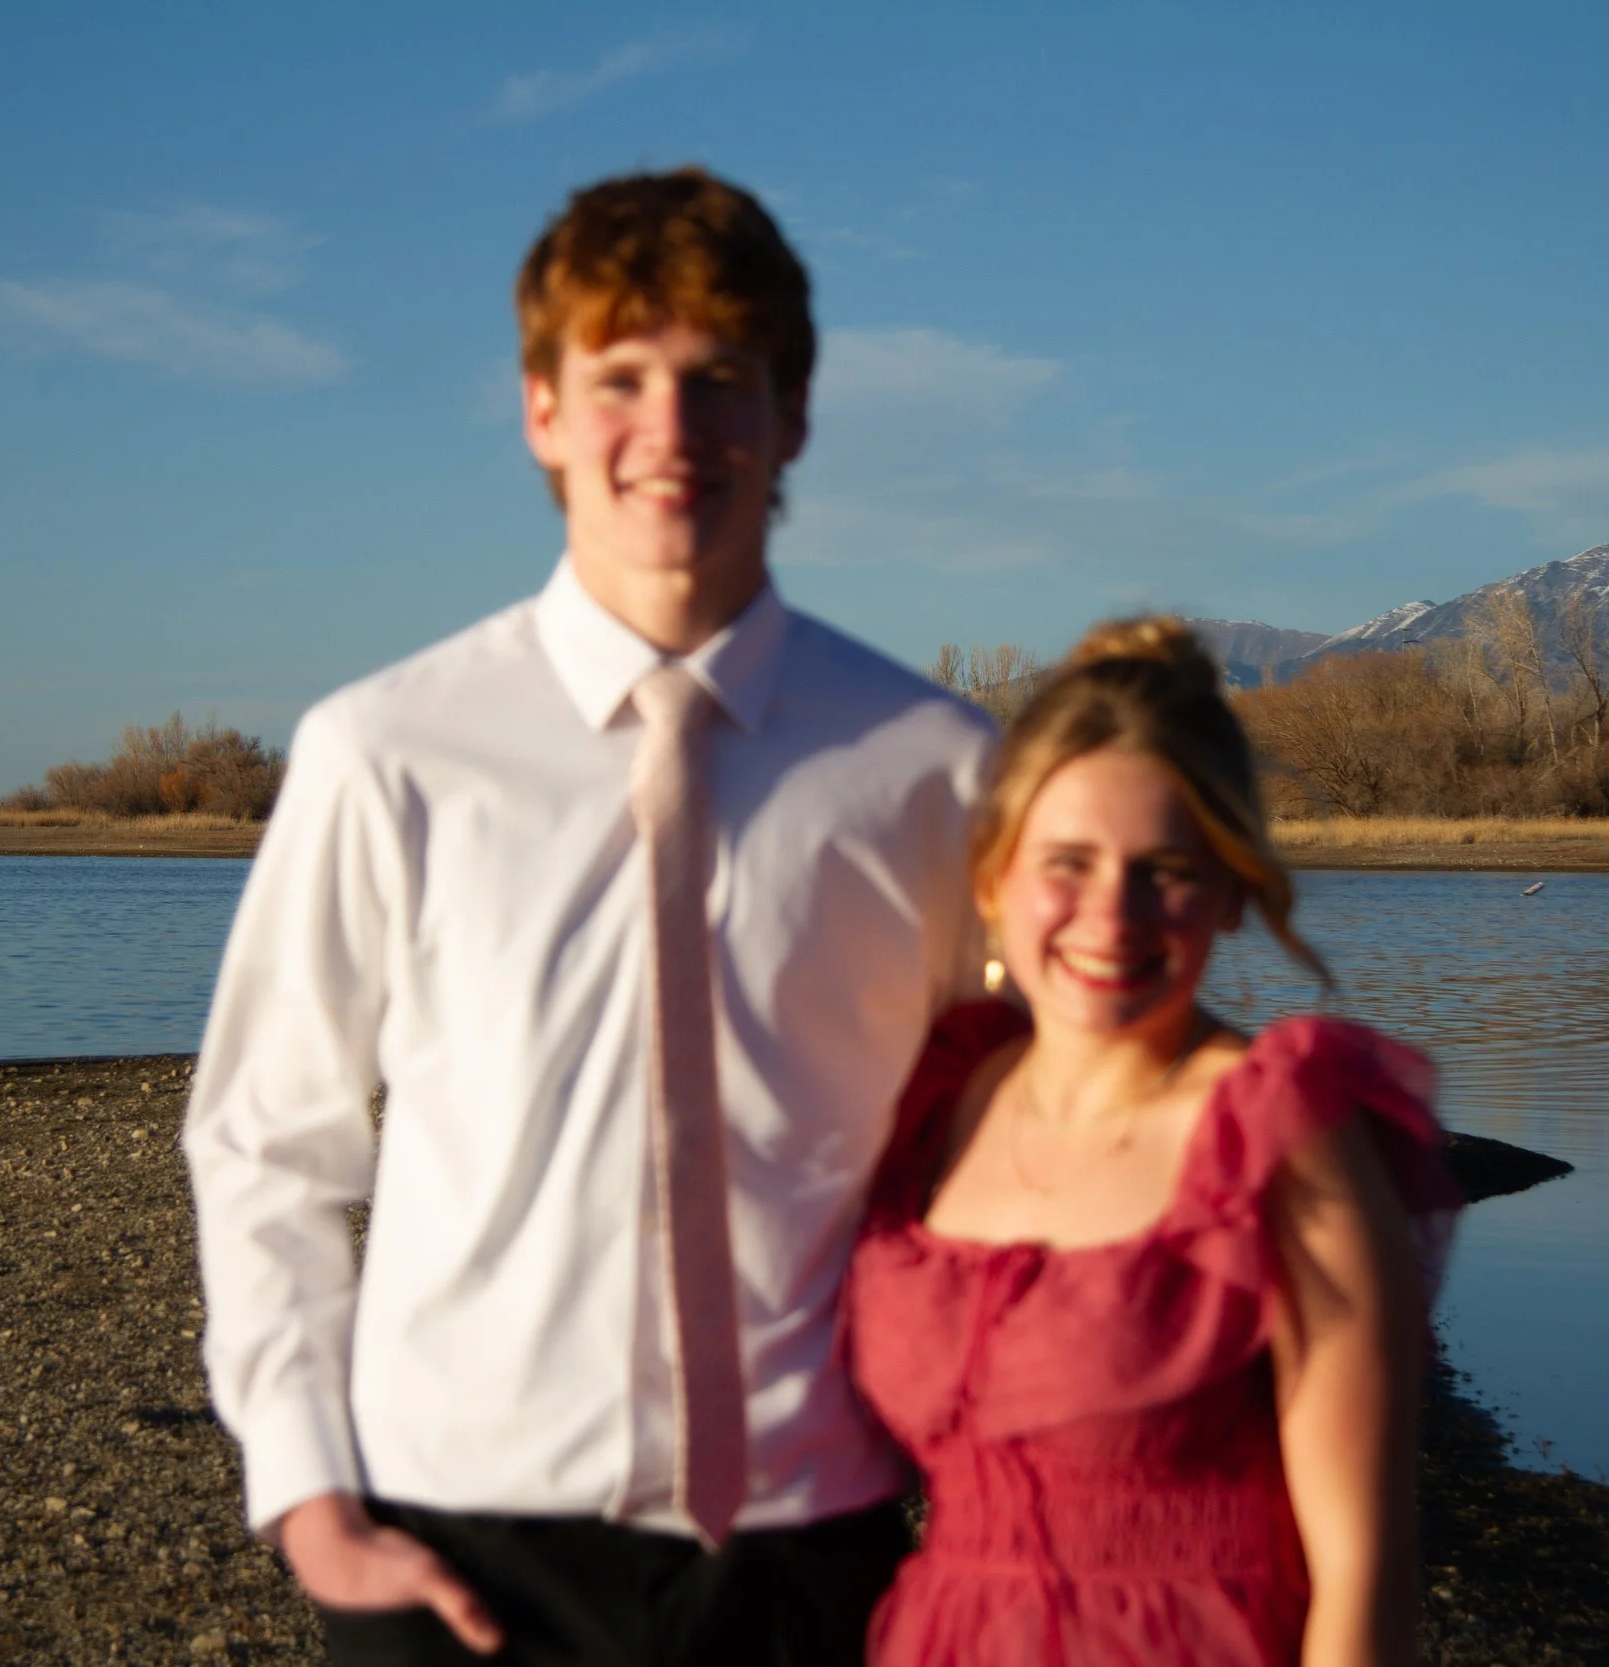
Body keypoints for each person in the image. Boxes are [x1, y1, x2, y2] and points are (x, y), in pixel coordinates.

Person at [181, 167, 996, 1666]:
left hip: (814, 1543)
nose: (671, 430)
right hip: (456, 1538)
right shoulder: (388, 747)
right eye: (619, 377)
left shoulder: (932, 765)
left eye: (720, 380)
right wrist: (306, 1494)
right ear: (543, 411)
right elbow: (263, 1138)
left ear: (794, 415)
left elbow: (993, 1133)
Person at [845, 617, 1462, 1667]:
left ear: (1229, 892)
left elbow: (1363, 1567)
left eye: (1165, 868)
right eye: (1067, 863)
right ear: (993, 877)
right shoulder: (939, 1095)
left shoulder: (1279, 1140)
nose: (1110, 914)